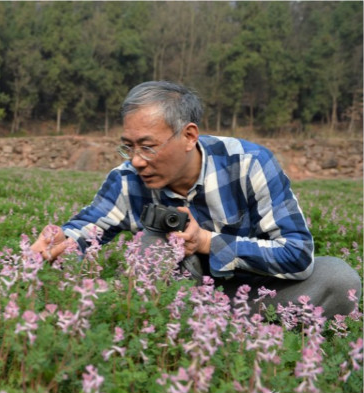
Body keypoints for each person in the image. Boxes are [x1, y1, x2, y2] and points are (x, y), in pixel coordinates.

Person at [31, 80, 361, 319]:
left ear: (189, 136)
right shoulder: (127, 179)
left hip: (259, 293)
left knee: (339, 279)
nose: (136, 160)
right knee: (155, 239)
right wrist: (61, 240)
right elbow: (88, 227)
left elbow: (297, 254)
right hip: (177, 296)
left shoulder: (248, 164)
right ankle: (170, 325)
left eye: (147, 146)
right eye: (128, 146)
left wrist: (207, 242)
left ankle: (223, 325)